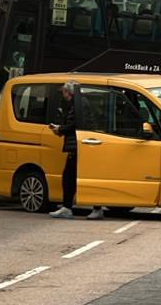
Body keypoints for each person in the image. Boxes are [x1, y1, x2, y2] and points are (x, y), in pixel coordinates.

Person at [49, 80, 103, 220]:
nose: (63, 95)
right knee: (73, 176)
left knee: (70, 177)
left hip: (78, 145)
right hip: (78, 144)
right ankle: (85, 207)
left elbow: (75, 124)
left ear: (69, 92)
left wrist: (60, 129)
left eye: (64, 92)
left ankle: (71, 208)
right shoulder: (78, 103)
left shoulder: (79, 104)